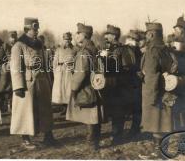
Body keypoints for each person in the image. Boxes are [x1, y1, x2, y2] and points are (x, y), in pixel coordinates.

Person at [10, 17, 56, 149]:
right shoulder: (18, 46)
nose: (37, 31)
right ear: (27, 29)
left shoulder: (39, 44)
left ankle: (48, 136)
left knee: (45, 109)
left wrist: (48, 80)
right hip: (27, 83)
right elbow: (15, 68)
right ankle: (25, 139)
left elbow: (45, 63)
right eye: (34, 28)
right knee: (25, 112)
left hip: (41, 80)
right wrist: (18, 86)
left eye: (37, 28)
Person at [66, 23, 102, 151]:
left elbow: (80, 74)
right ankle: (94, 141)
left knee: (90, 116)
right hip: (96, 87)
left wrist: (73, 89)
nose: (76, 35)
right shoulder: (94, 49)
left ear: (84, 35)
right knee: (95, 116)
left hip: (86, 88)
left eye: (78, 33)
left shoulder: (83, 53)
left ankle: (91, 143)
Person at [140, 22, 178, 147]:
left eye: (147, 33)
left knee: (156, 122)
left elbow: (151, 74)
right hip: (165, 89)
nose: (145, 36)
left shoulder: (152, 50)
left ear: (151, 34)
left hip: (155, 90)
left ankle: (158, 150)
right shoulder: (165, 48)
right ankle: (160, 148)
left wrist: (151, 97)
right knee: (162, 122)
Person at [98, 25, 136, 145]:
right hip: (111, 84)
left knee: (118, 111)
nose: (105, 36)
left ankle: (117, 137)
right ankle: (116, 135)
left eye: (108, 34)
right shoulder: (108, 48)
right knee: (114, 111)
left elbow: (127, 67)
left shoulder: (122, 49)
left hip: (120, 85)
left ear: (114, 36)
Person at [52, 32, 76, 115]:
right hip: (60, 70)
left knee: (68, 88)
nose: (67, 41)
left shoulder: (74, 49)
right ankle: (63, 107)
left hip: (69, 70)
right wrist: (55, 71)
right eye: (66, 39)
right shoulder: (59, 49)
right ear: (63, 40)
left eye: (69, 39)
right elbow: (55, 61)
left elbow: (76, 60)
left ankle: (68, 107)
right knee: (60, 89)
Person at [124, 30, 143, 136]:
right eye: (133, 39)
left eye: (137, 40)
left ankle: (134, 129)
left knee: (137, 108)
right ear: (129, 39)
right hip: (128, 82)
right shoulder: (124, 50)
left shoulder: (137, 51)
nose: (135, 42)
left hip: (136, 83)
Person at [0, 31, 18, 112]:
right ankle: (2, 105)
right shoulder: (5, 46)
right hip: (6, 71)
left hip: (15, 71)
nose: (13, 39)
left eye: (14, 37)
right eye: (11, 37)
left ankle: (11, 105)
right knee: (3, 87)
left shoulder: (18, 46)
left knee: (14, 88)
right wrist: (5, 64)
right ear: (9, 38)